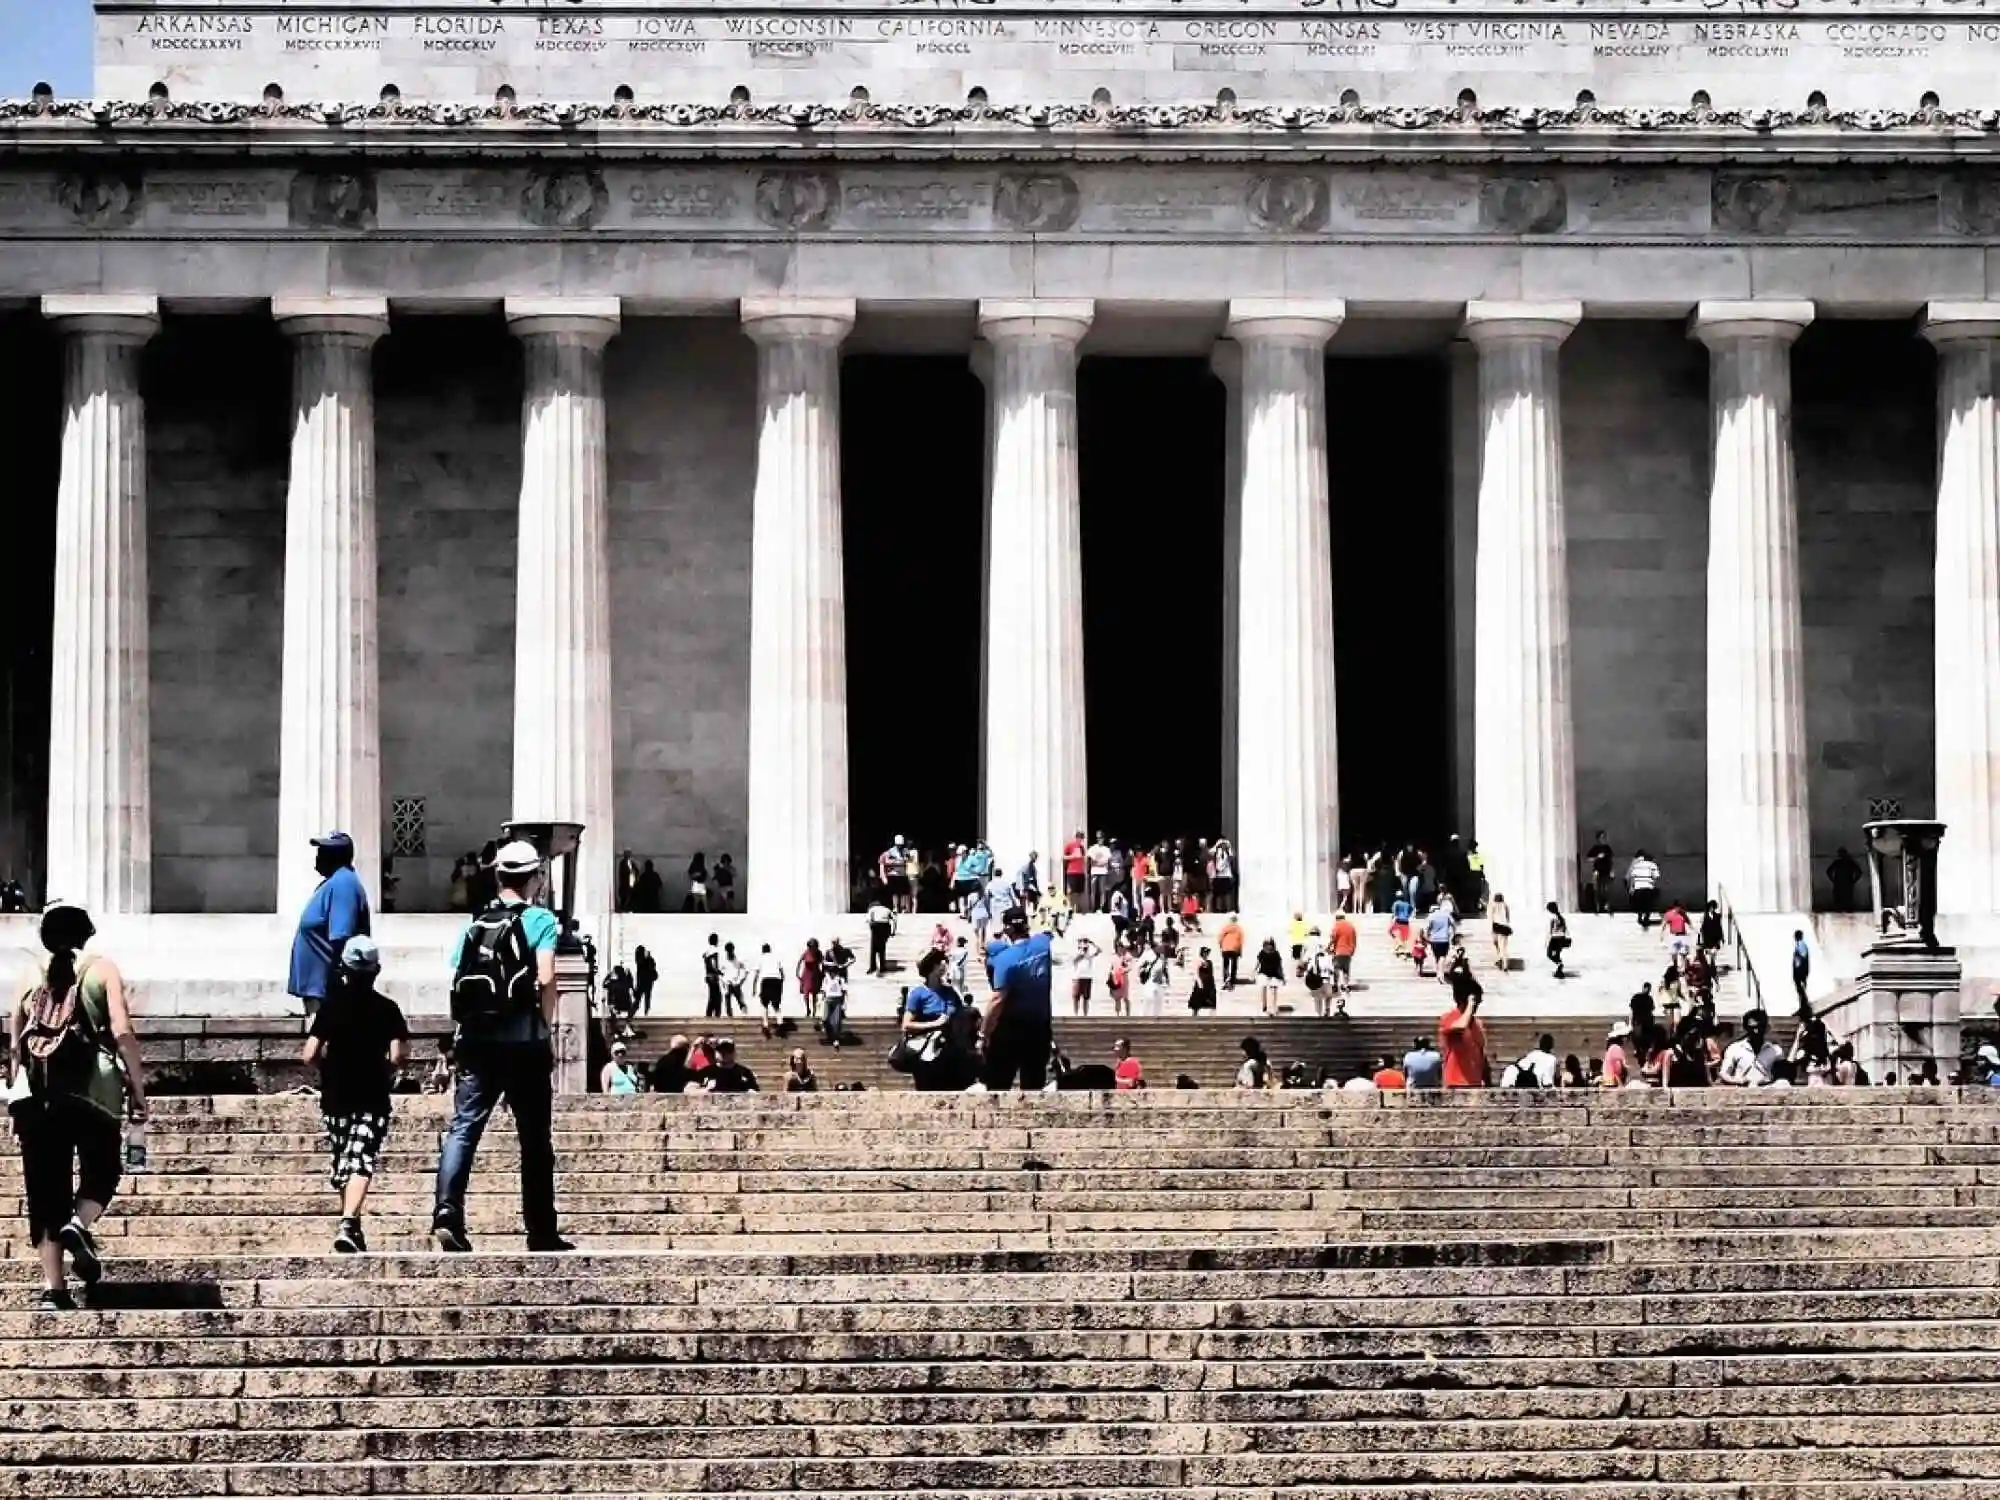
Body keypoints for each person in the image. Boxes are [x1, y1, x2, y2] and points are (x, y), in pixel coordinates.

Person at [434, 839, 570, 1255]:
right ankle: (541, 1230)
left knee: (464, 1128)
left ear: (497, 876)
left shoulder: (475, 924)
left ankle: (447, 1213)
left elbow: (458, 977)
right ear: (534, 878)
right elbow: (547, 977)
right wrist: (544, 1025)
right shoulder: (541, 920)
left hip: (476, 1041)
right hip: (523, 1041)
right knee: (533, 1138)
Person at [10, 900, 145, 1309]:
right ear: (87, 933)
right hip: (93, 1088)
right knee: (104, 1169)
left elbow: (15, 1045)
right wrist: (138, 1087)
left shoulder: (27, 974)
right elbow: (122, 1032)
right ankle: (77, 1223)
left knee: (44, 1190)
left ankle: (55, 1291)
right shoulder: (101, 968)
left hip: (37, 1093)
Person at [301, 935, 409, 1253]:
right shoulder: (387, 1009)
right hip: (372, 1095)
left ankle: (349, 1221)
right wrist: (386, 1070)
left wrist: (327, 1068)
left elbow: (309, 1054)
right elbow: (399, 1055)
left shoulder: (331, 1008)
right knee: (360, 1158)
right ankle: (350, 1222)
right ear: (376, 971)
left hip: (336, 1094)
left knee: (343, 1161)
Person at [286, 831, 373, 1019]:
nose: (317, 857)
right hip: (319, 991)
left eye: (323, 851)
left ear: (336, 857)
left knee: (323, 1043)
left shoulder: (343, 884)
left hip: (328, 993)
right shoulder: (335, 883)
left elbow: (342, 937)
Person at [983, 906, 1054, 1092]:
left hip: (1010, 1029)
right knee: (1033, 1084)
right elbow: (1048, 932)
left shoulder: (1005, 959)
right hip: (1040, 1027)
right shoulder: (1044, 945)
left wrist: (984, 1032)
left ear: (1007, 929)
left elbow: (998, 999)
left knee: (998, 1084)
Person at [1437, 983, 1486, 1089]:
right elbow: (1461, 1026)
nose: (1478, 1004)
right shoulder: (1449, 1018)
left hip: (1475, 1082)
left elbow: (1481, 1052)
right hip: (1455, 1083)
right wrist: (1470, 1005)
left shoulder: (1477, 1023)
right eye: (1477, 1001)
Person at [1719, 1009, 1782, 1087]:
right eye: (1752, 1027)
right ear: (1745, 1028)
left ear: (1766, 1028)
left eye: (1760, 1027)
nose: (1756, 1031)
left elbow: (1781, 1076)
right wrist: (1738, 1081)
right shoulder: (1734, 1048)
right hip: (1741, 1093)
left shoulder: (1775, 1051)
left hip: (1767, 1092)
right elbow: (1724, 1074)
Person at [1329, 911, 1358, 1007]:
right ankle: (1346, 985)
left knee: (1336, 968)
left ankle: (1336, 985)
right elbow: (1354, 940)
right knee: (1346, 970)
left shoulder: (1337, 925)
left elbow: (1333, 938)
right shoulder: (1351, 926)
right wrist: (1352, 950)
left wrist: (1329, 947)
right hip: (1348, 952)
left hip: (1339, 951)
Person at [1625, 850, 1661, 928]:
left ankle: (1640, 916)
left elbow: (1632, 877)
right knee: (1649, 904)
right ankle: (1646, 917)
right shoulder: (1652, 865)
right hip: (1648, 886)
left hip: (1638, 887)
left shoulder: (1637, 865)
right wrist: (1653, 884)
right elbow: (1656, 877)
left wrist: (1632, 887)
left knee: (1640, 903)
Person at [866, 891, 896, 976]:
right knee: (882, 948)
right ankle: (882, 966)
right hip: (884, 926)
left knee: (873, 949)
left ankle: (873, 967)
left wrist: (871, 926)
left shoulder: (872, 909)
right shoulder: (887, 910)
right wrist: (893, 931)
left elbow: (868, 919)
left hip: (876, 926)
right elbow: (894, 920)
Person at [1254, 937, 1285, 1017]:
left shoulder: (1262, 952)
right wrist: (1282, 976)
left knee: (1263, 990)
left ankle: (1264, 1006)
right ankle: (1272, 1008)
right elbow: (1279, 966)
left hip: (1264, 974)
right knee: (1273, 992)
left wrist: (1254, 971)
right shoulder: (1276, 953)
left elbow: (1257, 963)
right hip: (1273, 975)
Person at [1585, 831, 1615, 914]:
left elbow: (1611, 860)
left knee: (1606, 889)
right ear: (1597, 839)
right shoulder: (1595, 848)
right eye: (1601, 837)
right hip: (1597, 871)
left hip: (1606, 871)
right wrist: (1597, 857)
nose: (1602, 839)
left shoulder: (1607, 848)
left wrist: (1612, 871)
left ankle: (1606, 905)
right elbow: (1588, 859)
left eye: (1604, 837)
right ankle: (1597, 906)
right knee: (1597, 889)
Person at [796, 938, 824, 1023]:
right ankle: (808, 1009)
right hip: (806, 975)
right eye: (811, 946)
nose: (813, 948)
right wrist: (797, 973)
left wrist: (823, 974)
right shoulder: (806, 952)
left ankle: (814, 1012)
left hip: (815, 975)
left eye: (814, 946)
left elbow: (823, 963)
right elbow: (799, 961)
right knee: (806, 993)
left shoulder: (819, 953)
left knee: (814, 994)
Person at [1071, 934, 1098, 1015]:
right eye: (1082, 941)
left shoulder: (1089, 954)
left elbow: (1099, 950)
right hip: (1077, 977)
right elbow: (1074, 960)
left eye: (1085, 941)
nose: (1084, 944)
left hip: (1087, 977)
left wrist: (1092, 943)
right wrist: (1081, 952)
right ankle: (1075, 1014)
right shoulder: (1076, 952)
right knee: (1076, 997)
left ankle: (1085, 1015)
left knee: (1086, 998)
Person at [1602, 1021, 1634, 1088]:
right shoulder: (1616, 1049)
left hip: (1608, 1084)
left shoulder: (1612, 1048)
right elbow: (1617, 1071)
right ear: (1623, 1038)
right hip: (1612, 1085)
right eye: (1627, 1037)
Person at [1218, 914, 1245, 988]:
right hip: (1235, 948)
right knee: (1234, 964)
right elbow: (1241, 941)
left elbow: (1220, 937)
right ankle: (1232, 979)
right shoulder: (1239, 929)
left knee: (1226, 964)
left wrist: (1220, 945)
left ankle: (1226, 978)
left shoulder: (1226, 927)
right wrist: (1240, 950)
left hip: (1225, 948)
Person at [1545, 902, 1571, 979]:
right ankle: (1559, 968)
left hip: (1555, 938)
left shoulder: (1554, 918)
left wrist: (1548, 939)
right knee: (1556, 954)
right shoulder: (1561, 917)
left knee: (1549, 954)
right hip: (1560, 938)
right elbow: (1564, 929)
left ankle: (1560, 965)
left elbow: (1551, 930)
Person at [1063, 831, 1088, 910]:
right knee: (1070, 890)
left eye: (1082, 838)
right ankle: (1069, 906)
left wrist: (1085, 869)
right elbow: (1064, 857)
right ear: (1076, 837)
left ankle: (1076, 907)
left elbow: (1083, 859)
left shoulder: (1081, 847)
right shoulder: (1069, 845)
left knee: (1079, 891)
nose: (1081, 840)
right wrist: (1073, 856)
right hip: (1072, 871)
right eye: (1080, 838)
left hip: (1080, 872)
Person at [702, 933, 724, 1019]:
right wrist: (719, 972)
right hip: (713, 976)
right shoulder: (714, 951)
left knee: (712, 996)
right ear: (715, 940)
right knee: (717, 997)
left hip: (708, 976)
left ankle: (709, 1015)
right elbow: (713, 963)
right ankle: (716, 1016)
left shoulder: (707, 951)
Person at [1189, 946, 1217, 1013]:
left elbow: (1211, 973)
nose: (1207, 954)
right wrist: (1199, 982)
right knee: (1197, 1001)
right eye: (1205, 953)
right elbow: (1196, 972)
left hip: (1209, 984)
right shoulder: (1199, 961)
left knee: (1211, 1001)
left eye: (1207, 953)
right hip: (1201, 983)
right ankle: (1195, 1015)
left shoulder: (1209, 962)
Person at [1791, 929, 1812, 1010]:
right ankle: (1803, 1005)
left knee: (1801, 989)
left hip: (1800, 971)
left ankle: (1804, 1006)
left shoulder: (1801, 945)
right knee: (1800, 989)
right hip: (1801, 971)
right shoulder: (1800, 945)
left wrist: (1797, 967)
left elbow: (1802, 957)